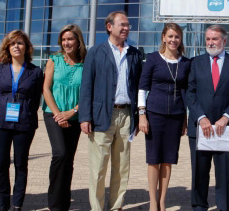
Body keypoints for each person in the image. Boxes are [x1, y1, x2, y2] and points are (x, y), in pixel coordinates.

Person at [79, 11, 143, 211]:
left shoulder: (135, 53)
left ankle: (116, 207)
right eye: (122, 24)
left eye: (128, 25)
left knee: (122, 166)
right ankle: (97, 208)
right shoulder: (96, 52)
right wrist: (85, 117)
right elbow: (86, 86)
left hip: (126, 115)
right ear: (109, 27)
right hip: (101, 116)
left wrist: (140, 115)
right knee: (98, 167)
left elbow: (140, 86)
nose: (126, 28)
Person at [183, 25, 229, 211]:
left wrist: (226, 117)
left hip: (224, 128)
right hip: (200, 128)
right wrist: (201, 117)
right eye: (208, 39)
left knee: (225, 173)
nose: (210, 42)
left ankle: (224, 207)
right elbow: (190, 93)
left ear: (224, 41)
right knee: (199, 173)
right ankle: (199, 206)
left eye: (215, 39)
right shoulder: (195, 62)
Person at [0, 30, 44, 211]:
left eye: (20, 43)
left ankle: (17, 204)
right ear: (7, 47)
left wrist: (26, 110)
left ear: (27, 47)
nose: (16, 46)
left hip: (24, 121)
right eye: (12, 44)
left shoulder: (35, 72)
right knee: (1, 164)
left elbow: (36, 98)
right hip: (0, 121)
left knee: (21, 163)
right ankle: (3, 205)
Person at [137, 23, 191, 210]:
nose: (173, 40)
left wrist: (185, 118)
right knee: (153, 159)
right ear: (163, 38)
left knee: (168, 159)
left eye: (176, 37)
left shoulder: (185, 63)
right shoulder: (153, 59)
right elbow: (142, 88)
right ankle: (153, 201)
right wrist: (142, 115)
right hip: (154, 115)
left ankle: (162, 200)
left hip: (176, 117)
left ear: (180, 39)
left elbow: (185, 91)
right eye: (170, 36)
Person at [42, 24, 87, 211]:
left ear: (78, 41)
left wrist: (74, 111)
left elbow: (87, 92)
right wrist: (59, 114)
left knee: (68, 159)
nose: (66, 42)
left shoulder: (86, 63)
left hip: (75, 117)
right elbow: (46, 89)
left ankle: (63, 204)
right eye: (64, 39)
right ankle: (54, 203)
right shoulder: (54, 59)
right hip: (53, 114)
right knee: (60, 154)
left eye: (70, 39)